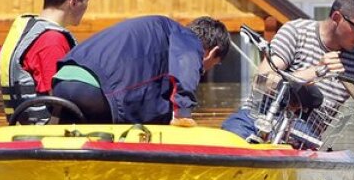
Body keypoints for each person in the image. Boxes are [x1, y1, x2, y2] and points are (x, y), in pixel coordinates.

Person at [222, 0, 354, 180]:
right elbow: (264, 80)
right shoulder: (296, 32)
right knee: (227, 138)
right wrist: (317, 72)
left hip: (302, 137)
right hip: (257, 119)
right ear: (337, 17)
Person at [51, 15, 229, 126]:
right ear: (211, 52)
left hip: (61, 83)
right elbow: (186, 66)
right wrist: (183, 114)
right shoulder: (188, 39)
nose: (203, 71)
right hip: (93, 91)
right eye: (211, 65)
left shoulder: (160, 30)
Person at [0, 0, 94, 123]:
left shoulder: (23, 36)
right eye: (86, 0)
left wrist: (21, 106)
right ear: (73, 2)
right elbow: (58, 96)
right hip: (49, 138)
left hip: (23, 135)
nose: (87, 7)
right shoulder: (53, 40)